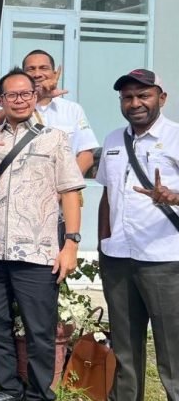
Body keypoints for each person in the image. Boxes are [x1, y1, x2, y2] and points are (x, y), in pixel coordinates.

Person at [0, 67, 85, 401]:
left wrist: (71, 243)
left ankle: (39, 393)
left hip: (37, 251)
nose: (20, 100)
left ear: (35, 97)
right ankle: (9, 388)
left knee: (39, 328)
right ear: (1, 100)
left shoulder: (54, 138)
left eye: (26, 93)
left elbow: (70, 191)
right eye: (12, 94)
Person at [97, 69, 179, 401]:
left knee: (172, 347)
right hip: (118, 257)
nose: (135, 103)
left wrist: (174, 197)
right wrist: (103, 243)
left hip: (164, 259)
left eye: (143, 95)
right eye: (127, 97)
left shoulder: (176, 137)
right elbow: (107, 194)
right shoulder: (113, 139)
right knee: (125, 346)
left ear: (162, 98)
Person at [21, 50, 99, 175]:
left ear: (54, 73)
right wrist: (37, 97)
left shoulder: (73, 109)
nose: (37, 74)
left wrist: (68, 183)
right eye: (31, 69)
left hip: (65, 184)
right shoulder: (12, 107)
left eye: (43, 68)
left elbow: (86, 155)